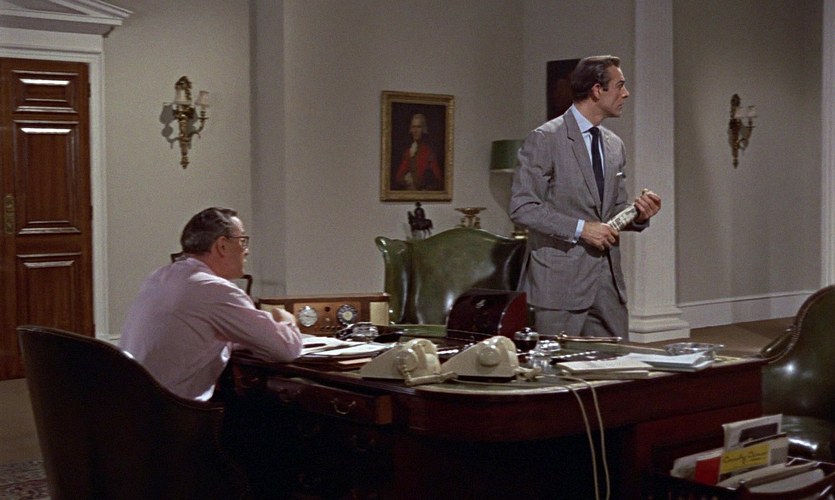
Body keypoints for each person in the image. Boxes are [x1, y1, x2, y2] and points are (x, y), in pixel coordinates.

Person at [509, 55, 662, 337]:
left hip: (607, 284)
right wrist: (582, 229)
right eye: (620, 85)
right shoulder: (546, 138)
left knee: (616, 361)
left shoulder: (614, 146)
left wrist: (638, 213)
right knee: (557, 362)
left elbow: (613, 211)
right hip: (560, 283)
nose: (626, 94)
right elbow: (523, 207)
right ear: (596, 90)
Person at [120, 207, 303, 401]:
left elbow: (192, 335)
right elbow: (286, 349)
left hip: (129, 406)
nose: (246, 251)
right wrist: (287, 321)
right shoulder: (214, 289)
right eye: (242, 241)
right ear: (222, 245)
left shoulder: (160, 276)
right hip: (170, 412)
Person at [394, 113, 443, 190]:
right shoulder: (408, 152)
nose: (415, 130)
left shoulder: (429, 153)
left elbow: (437, 180)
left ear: (423, 129)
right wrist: (406, 180)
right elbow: (399, 177)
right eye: (413, 127)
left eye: (418, 127)